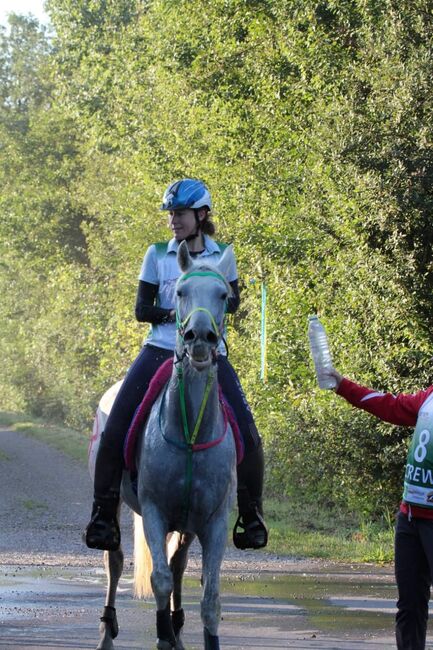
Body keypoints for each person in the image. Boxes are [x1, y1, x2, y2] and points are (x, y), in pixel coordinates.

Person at [84, 178, 268, 553]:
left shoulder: (221, 257)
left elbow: (232, 303)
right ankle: (104, 514)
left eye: (180, 214)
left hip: (211, 356)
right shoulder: (156, 254)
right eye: (171, 215)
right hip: (159, 350)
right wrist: (176, 312)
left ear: (201, 216)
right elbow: (141, 309)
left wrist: (208, 298)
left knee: (248, 434)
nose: (174, 221)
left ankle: (250, 515)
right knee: (115, 425)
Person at [324, 365, 433, 650]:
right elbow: (390, 406)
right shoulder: (429, 397)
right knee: (409, 606)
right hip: (409, 518)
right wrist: (342, 385)